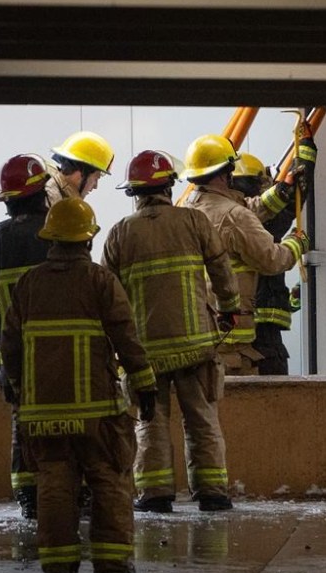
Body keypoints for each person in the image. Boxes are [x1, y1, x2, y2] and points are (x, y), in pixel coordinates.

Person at [1, 197, 157, 573]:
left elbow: (11, 348)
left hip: (42, 415)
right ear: (88, 241)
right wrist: (145, 383)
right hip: (96, 411)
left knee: (53, 483)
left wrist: (19, 391)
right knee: (109, 477)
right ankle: (113, 560)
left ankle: (58, 565)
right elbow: (126, 336)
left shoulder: (28, 285)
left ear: (50, 239)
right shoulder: (101, 281)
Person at [102, 150, 240, 513]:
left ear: (134, 192)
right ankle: (212, 492)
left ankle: (155, 494)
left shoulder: (119, 234)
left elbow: (108, 297)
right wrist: (228, 310)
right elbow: (223, 273)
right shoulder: (193, 222)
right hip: (196, 347)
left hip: (145, 353)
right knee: (202, 420)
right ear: (169, 185)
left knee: (149, 422)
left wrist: (115, 347)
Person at [181, 133, 314, 375]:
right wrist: (298, 243)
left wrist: (281, 191)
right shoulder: (234, 216)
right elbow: (273, 260)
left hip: (198, 333)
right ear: (225, 172)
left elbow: (245, 210)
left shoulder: (187, 209)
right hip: (230, 344)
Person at [0, 154, 53, 519]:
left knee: (24, 423)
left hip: (17, 356)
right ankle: (75, 492)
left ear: (9, 199)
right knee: (76, 422)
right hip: (68, 352)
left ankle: (29, 497)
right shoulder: (62, 230)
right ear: (41, 194)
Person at [232, 154, 302, 375]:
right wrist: (298, 243)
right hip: (259, 337)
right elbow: (273, 260)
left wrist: (288, 301)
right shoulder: (245, 220)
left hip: (236, 330)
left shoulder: (220, 214)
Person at [46, 131, 114, 203]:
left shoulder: (60, 196)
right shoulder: (53, 199)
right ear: (81, 172)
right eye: (96, 178)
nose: (95, 186)